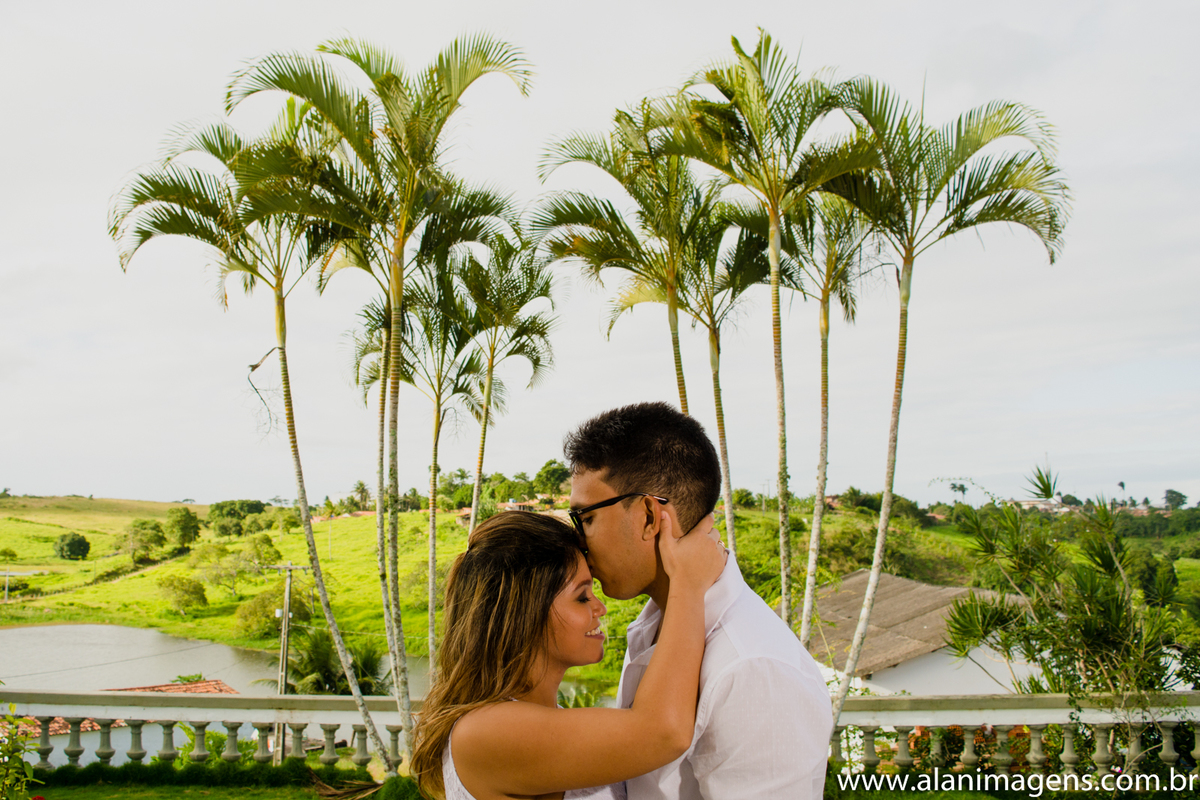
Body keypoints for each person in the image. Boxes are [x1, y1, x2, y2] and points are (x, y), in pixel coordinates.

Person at [565, 401, 832, 799]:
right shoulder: (659, 624)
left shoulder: (752, 668)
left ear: (650, 517)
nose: (579, 542)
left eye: (586, 519)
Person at [411, 508, 726, 800]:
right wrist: (688, 581)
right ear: (526, 614)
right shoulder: (485, 731)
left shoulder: (530, 719)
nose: (599, 608)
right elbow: (664, 733)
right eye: (581, 597)